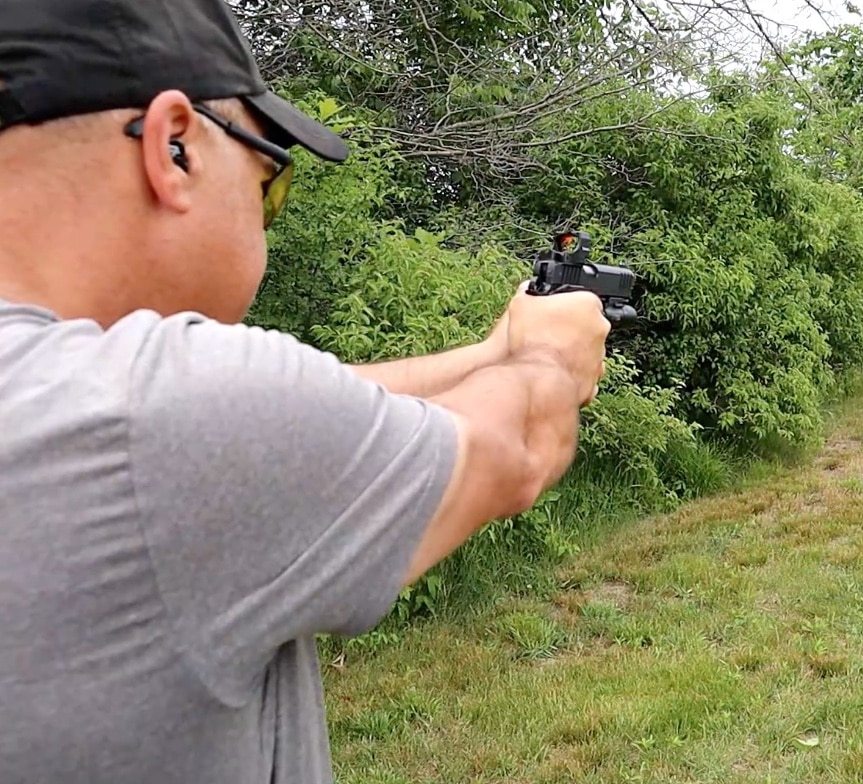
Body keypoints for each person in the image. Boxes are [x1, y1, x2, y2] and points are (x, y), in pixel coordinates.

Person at [0, 0, 611, 781]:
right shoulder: (161, 422)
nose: (264, 212)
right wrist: (549, 362)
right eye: (268, 184)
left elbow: (312, 412)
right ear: (174, 146)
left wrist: (493, 352)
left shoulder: (84, 409)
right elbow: (515, 451)